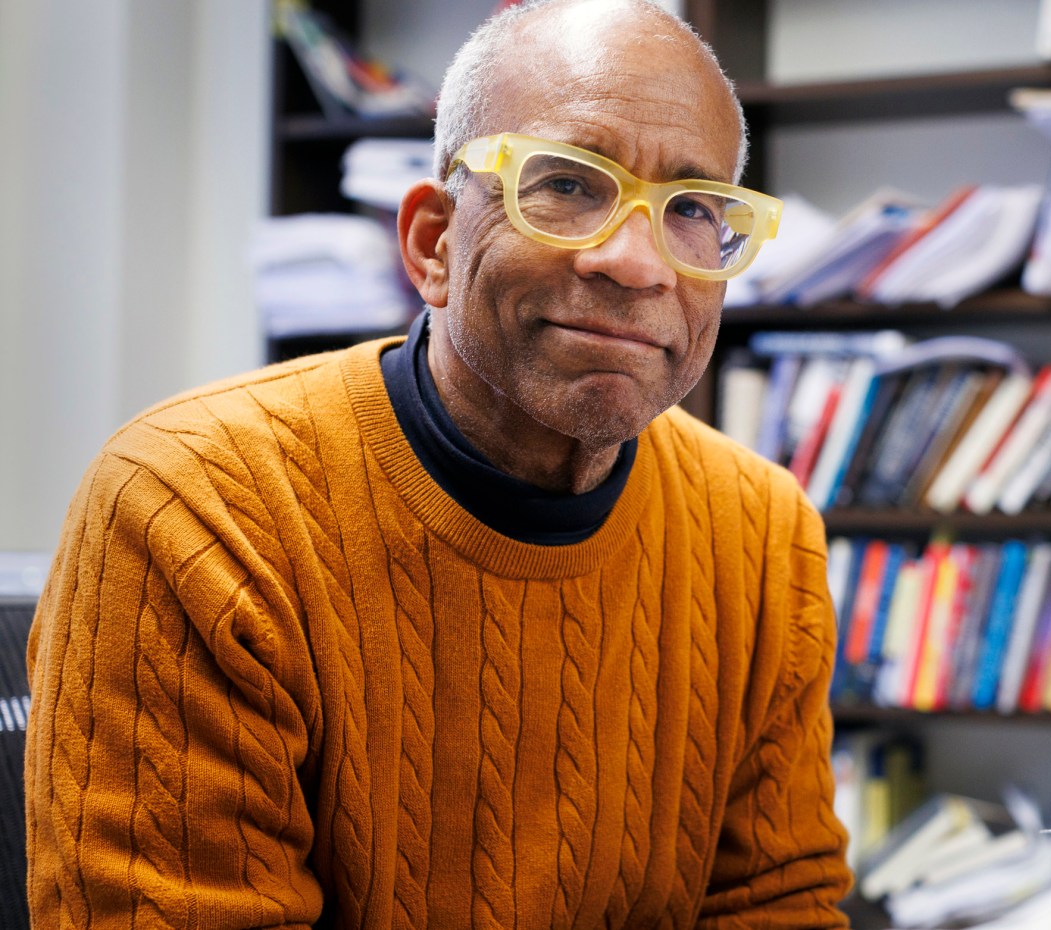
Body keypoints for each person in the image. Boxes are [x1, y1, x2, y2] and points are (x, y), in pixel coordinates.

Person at [24, 1, 853, 926]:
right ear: (433, 243)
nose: (639, 263)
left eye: (693, 211)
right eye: (570, 185)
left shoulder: (762, 531)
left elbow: (778, 904)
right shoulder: (196, 510)